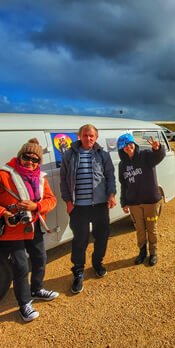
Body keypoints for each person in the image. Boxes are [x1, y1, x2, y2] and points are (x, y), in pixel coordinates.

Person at [0, 138, 58, 322]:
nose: (31, 162)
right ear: (20, 156)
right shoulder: (0, 176)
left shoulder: (40, 178)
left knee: (40, 258)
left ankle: (37, 288)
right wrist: (2, 212)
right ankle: (24, 303)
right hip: (10, 232)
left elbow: (51, 200)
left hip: (33, 226)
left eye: (35, 160)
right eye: (27, 157)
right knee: (20, 267)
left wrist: (36, 206)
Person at [60, 124, 116, 294]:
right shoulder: (69, 154)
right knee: (80, 240)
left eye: (91, 135)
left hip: (99, 206)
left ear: (96, 137)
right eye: (85, 135)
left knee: (101, 237)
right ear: (79, 136)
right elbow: (63, 180)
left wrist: (111, 194)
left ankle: (97, 263)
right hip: (79, 208)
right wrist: (68, 201)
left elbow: (110, 177)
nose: (88, 138)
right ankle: (78, 271)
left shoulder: (103, 155)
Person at [117, 133, 166, 266]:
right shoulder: (122, 165)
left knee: (152, 228)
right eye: (124, 146)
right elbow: (124, 185)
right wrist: (124, 202)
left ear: (134, 143)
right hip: (134, 204)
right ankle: (142, 252)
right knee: (139, 229)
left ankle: (153, 253)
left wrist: (158, 148)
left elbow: (159, 156)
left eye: (130, 143)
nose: (128, 147)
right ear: (121, 149)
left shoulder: (146, 156)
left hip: (151, 201)